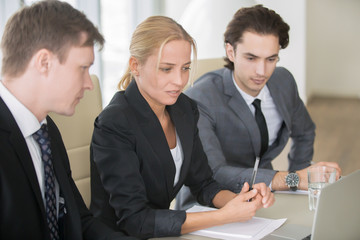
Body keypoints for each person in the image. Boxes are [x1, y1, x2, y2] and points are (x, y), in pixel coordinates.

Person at [89, 15, 274, 239]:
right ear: (135, 66)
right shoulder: (115, 124)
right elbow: (135, 220)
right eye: (166, 69)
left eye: (185, 68)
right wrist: (223, 216)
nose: (179, 81)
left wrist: (241, 201)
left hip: (161, 232)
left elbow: (204, 184)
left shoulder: (183, 109)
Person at [175, 4, 342, 210]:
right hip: (208, 205)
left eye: (271, 59)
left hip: (265, 197)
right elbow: (215, 173)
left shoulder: (283, 81)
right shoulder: (200, 98)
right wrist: (292, 179)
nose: (261, 71)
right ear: (231, 51)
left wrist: (300, 183)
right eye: (251, 58)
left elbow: (305, 131)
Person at [0, 1, 137, 239]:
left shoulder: (45, 130)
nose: (88, 83)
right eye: (82, 68)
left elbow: (77, 220)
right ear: (44, 62)